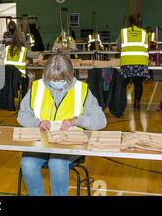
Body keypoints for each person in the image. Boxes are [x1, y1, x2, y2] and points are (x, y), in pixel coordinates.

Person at [17, 53, 106, 196]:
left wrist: (77, 120)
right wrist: (37, 123)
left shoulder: (81, 90)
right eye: (52, 79)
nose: (56, 82)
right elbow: (22, 115)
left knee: (56, 163)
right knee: (27, 163)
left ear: (69, 75)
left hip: (69, 144)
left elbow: (101, 120)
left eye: (60, 79)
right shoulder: (36, 87)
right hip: (41, 142)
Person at [117, 15, 150, 110]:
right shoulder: (143, 32)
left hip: (127, 62)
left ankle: (121, 104)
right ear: (137, 23)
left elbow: (119, 46)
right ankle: (136, 104)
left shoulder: (123, 32)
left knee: (123, 84)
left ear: (127, 22)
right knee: (138, 83)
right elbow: (147, 47)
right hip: (140, 62)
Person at [4, 31, 29, 98]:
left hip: (7, 75)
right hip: (19, 77)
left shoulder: (7, 48)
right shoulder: (24, 50)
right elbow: (34, 55)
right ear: (22, 39)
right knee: (28, 78)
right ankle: (24, 98)